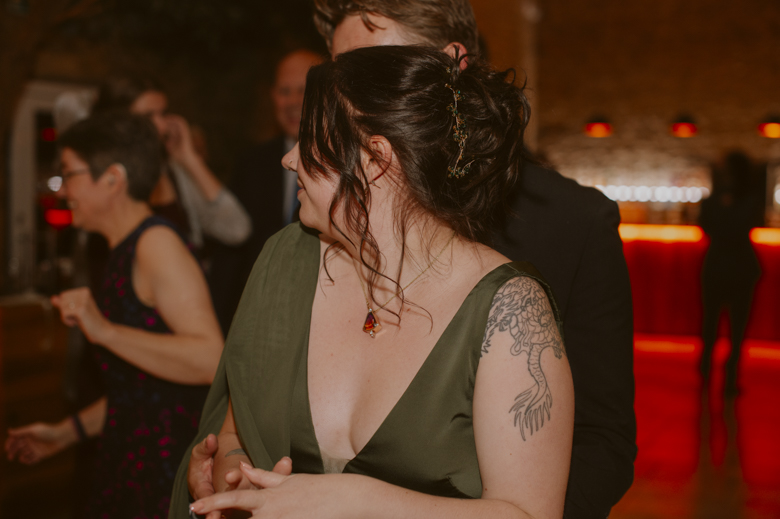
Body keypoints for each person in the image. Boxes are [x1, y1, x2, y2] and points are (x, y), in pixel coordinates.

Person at [172, 46, 574, 519]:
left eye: (310, 140)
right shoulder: (284, 261)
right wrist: (236, 473)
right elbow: (235, 430)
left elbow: (529, 514)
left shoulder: (509, 313)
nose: (288, 158)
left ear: (375, 159)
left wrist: (357, 502)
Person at [316, 3, 637, 518]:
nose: (340, 91)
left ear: (452, 64)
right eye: (335, 71)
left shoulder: (573, 221)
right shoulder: (329, 216)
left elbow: (604, 441)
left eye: (369, 64)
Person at [4, 113, 224, 518]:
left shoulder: (156, 243)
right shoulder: (119, 251)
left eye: (70, 173)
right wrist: (64, 433)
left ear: (112, 179)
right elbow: (139, 390)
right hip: (131, 458)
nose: (62, 189)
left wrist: (103, 331)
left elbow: (211, 360)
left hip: (165, 468)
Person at [208, 49, 323, 333]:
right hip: (257, 318)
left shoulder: (346, 165)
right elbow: (231, 255)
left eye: (303, 90)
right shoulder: (251, 164)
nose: (293, 101)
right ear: (273, 96)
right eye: (284, 91)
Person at [92, 76, 252, 252]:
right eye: (147, 116)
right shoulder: (99, 176)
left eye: (163, 114)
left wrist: (189, 158)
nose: (162, 126)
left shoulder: (171, 170)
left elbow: (237, 230)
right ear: (117, 122)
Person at [699, 151, 763, 397]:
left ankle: (707, 370)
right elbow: (744, 226)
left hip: (718, 268)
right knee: (736, 327)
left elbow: (706, 225)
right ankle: (728, 375)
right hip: (740, 269)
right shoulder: (750, 200)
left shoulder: (714, 200)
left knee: (712, 323)